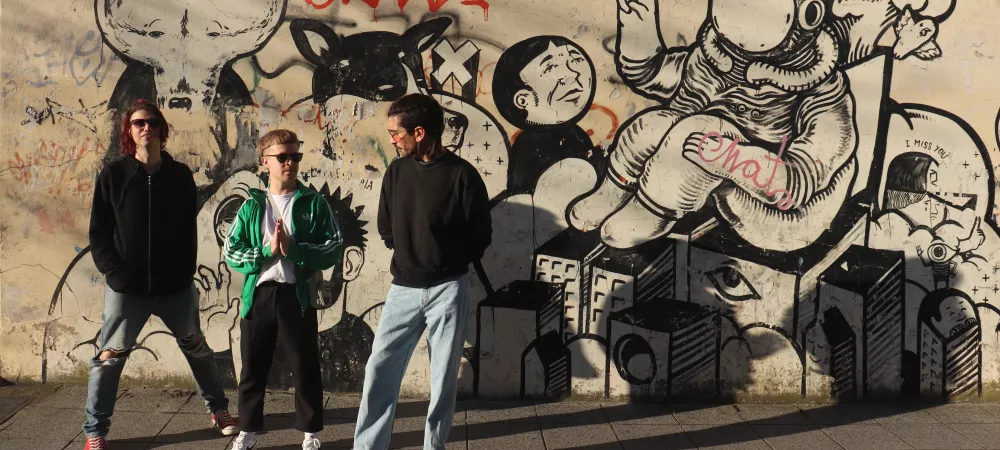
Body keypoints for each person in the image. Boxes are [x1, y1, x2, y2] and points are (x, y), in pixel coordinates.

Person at [84, 99, 238, 450]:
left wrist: (184, 271)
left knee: (197, 348)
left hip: (174, 288)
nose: (146, 128)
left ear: (162, 130)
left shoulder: (179, 175)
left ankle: (220, 411)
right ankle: (95, 432)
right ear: (129, 131)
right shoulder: (114, 175)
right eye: (139, 123)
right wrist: (114, 271)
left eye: (153, 122)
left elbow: (188, 229)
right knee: (109, 359)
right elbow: (99, 232)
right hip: (127, 289)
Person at [353, 93, 492, 450]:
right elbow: (385, 226)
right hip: (404, 289)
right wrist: (410, 253)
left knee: (443, 378)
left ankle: (434, 446)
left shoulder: (463, 176)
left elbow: (481, 234)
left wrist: (447, 259)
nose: (391, 140)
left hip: (448, 288)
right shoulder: (397, 172)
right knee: (379, 370)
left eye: (395, 133)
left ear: (419, 132)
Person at [224, 129, 344, 450]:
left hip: (297, 295)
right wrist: (266, 251)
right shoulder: (252, 206)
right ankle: (247, 430)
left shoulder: (313, 204)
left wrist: (293, 250)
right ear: (266, 161)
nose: (290, 162)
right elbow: (231, 251)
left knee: (304, 365)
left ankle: (310, 433)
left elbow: (333, 248)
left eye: (295, 156)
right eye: (282, 157)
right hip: (260, 294)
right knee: (252, 367)